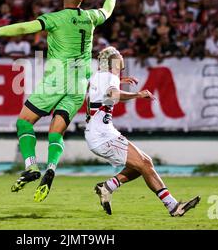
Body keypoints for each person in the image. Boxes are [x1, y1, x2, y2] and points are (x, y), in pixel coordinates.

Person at [0, 0, 120, 202]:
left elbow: (24, 27)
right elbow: (108, 10)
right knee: (55, 132)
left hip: (56, 80)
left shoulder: (54, 19)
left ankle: (31, 166)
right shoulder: (90, 17)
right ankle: (51, 169)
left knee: (24, 121)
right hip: (80, 85)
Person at [85, 46, 200, 216]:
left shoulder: (99, 76)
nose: (122, 62)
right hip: (103, 136)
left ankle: (107, 187)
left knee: (143, 163)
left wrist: (121, 81)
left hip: (99, 133)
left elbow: (104, 92)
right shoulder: (109, 78)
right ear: (114, 63)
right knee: (145, 164)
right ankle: (173, 207)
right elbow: (113, 94)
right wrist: (138, 95)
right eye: (119, 60)